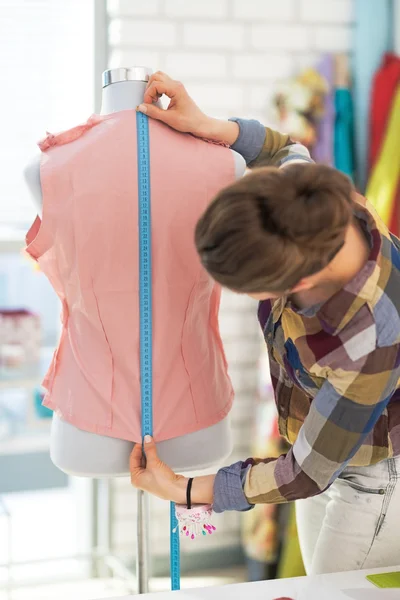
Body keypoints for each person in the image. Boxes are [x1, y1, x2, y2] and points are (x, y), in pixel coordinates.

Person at [130, 72, 400, 575]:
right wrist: (210, 125)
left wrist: (186, 491)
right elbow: (286, 150)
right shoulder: (313, 205)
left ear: (298, 283)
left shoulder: (368, 336)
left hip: (375, 478)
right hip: (322, 452)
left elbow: (307, 472)